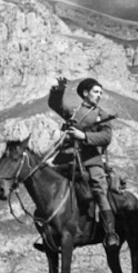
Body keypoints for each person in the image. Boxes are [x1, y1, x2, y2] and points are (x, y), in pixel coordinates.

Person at [47, 76, 120, 248]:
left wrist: (84, 136)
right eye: (96, 92)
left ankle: (110, 232)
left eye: (100, 93)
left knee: (99, 188)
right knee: (48, 184)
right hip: (68, 158)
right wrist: (59, 90)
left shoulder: (102, 115)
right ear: (85, 93)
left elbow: (106, 137)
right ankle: (48, 230)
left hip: (90, 160)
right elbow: (55, 105)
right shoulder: (74, 111)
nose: (99, 95)